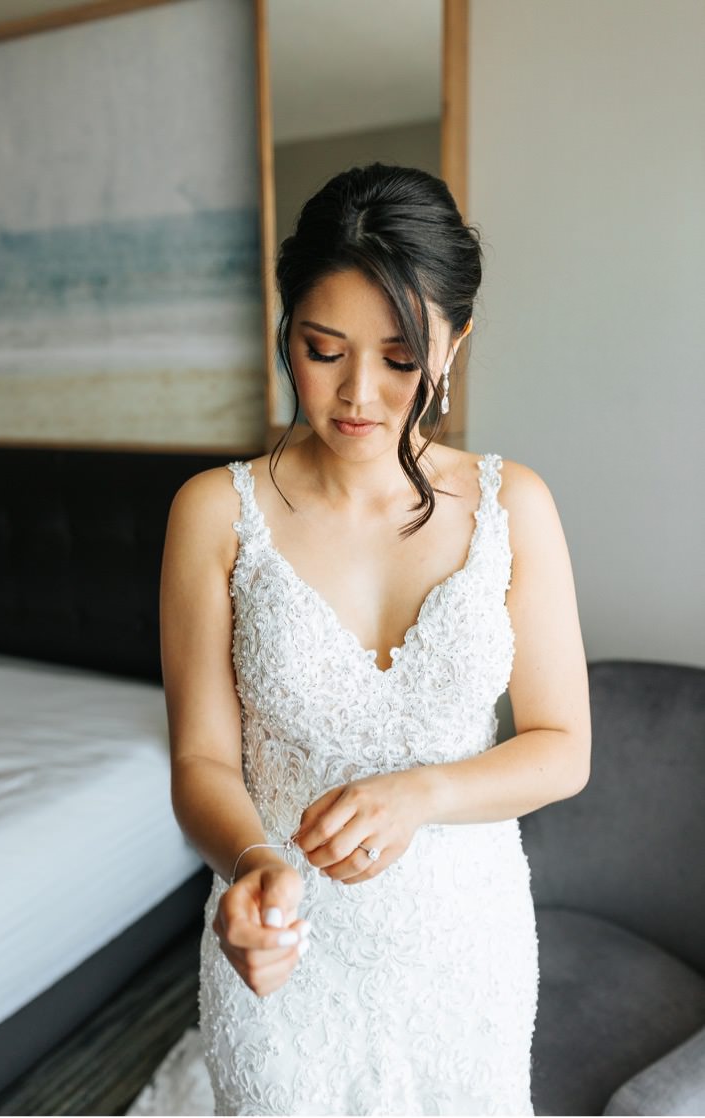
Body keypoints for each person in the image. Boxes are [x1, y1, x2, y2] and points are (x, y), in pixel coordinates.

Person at [132, 163, 590, 1115]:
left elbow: (563, 750)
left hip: (466, 946)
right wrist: (256, 864)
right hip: (284, 943)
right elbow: (202, 761)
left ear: (454, 342)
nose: (358, 395)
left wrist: (421, 794)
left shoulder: (516, 506)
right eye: (322, 348)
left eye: (400, 358)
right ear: (285, 331)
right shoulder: (215, 512)